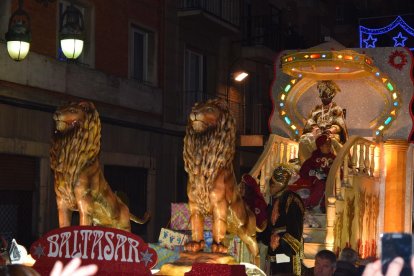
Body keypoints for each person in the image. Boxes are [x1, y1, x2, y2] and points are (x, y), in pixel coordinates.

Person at [258, 165, 305, 276]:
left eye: (273, 185)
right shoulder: (275, 200)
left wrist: (280, 239)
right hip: (277, 249)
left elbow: (295, 228)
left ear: (281, 185)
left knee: (285, 272)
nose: (271, 188)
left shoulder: (292, 199)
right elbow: (271, 227)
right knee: (277, 272)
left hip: (287, 249)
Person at [299, 80, 348, 164]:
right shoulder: (316, 109)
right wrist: (316, 128)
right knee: (304, 139)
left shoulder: (336, 109)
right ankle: (309, 163)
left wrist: (330, 130)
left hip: (331, 133)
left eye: (326, 97)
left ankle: (328, 164)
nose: (324, 99)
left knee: (327, 140)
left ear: (331, 97)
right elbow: (310, 121)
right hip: (316, 133)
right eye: (322, 97)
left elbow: (339, 125)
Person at [290, 134, 336, 213]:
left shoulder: (334, 158)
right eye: (326, 145)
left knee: (331, 187)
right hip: (316, 181)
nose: (328, 147)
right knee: (320, 185)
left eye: (329, 145)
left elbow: (338, 171)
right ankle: (310, 204)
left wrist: (329, 175)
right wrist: (315, 173)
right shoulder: (314, 158)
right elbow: (304, 170)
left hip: (330, 180)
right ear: (320, 146)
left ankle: (324, 205)